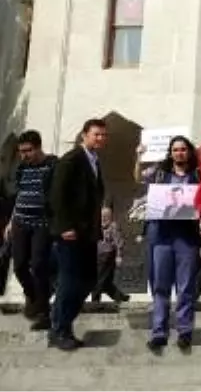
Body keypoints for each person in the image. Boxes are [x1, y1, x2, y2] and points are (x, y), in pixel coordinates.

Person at [48, 118, 108, 351]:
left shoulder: (95, 161)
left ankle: (62, 323)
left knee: (88, 280)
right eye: (96, 135)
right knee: (70, 281)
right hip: (70, 233)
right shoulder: (72, 159)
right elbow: (57, 194)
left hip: (87, 233)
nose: (101, 139)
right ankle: (59, 329)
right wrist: (64, 226)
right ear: (84, 135)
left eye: (104, 135)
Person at [145, 136, 201, 352]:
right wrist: (137, 156)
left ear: (189, 152)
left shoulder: (198, 176)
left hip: (187, 237)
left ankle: (184, 332)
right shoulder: (160, 174)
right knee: (160, 286)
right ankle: (159, 332)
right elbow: (137, 178)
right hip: (161, 235)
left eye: (183, 149)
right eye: (175, 149)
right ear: (170, 153)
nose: (179, 153)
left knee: (186, 287)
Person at [7, 129, 57, 330]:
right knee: (19, 266)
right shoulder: (22, 168)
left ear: (38, 148)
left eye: (27, 151)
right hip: (20, 222)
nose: (24, 155)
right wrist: (11, 221)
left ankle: (44, 313)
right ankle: (35, 296)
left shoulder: (53, 165)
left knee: (38, 265)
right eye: (21, 151)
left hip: (42, 224)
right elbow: (19, 195)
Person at [92, 205, 129, 303]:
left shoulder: (113, 226)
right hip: (97, 255)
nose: (103, 217)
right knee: (106, 282)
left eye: (106, 215)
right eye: (102, 215)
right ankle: (121, 297)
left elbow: (119, 242)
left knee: (99, 279)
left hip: (108, 255)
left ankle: (95, 301)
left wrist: (119, 256)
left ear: (110, 216)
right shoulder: (96, 226)